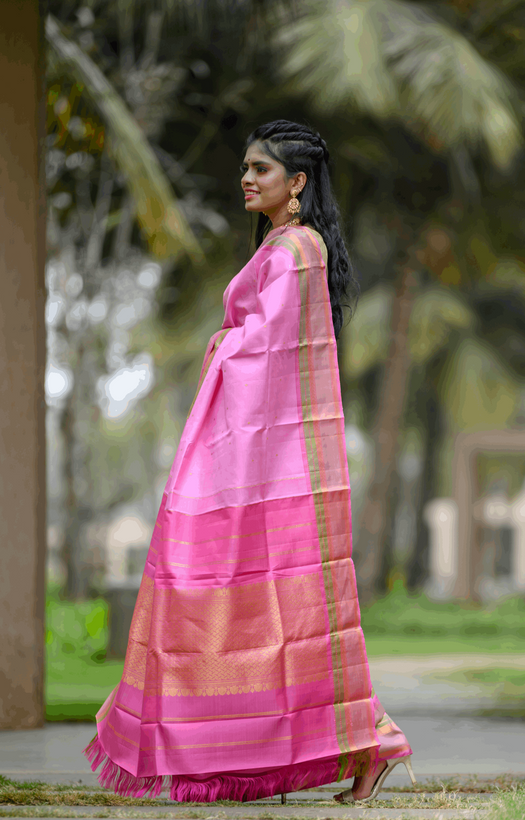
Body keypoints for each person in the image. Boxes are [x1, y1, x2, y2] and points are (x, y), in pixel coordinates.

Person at [84, 119, 416, 804]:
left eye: (260, 170)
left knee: (257, 602)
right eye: (244, 167)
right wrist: (230, 340)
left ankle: (369, 742)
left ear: (295, 183)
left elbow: (268, 352)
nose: (246, 179)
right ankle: (363, 745)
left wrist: (224, 343)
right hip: (259, 452)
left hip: (265, 459)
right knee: (262, 611)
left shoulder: (296, 249)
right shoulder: (284, 245)